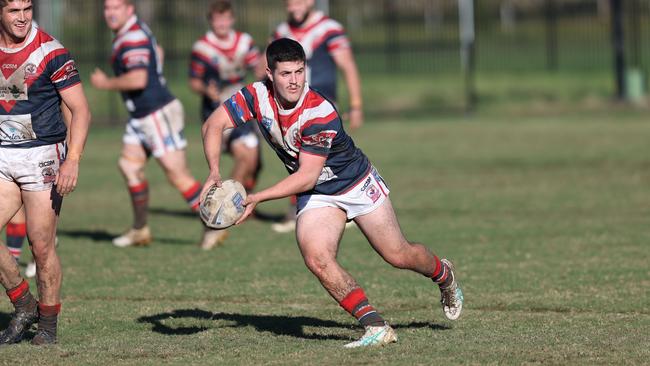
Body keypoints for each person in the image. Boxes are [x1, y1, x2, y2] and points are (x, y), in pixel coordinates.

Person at [201, 38, 464, 348]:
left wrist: (255, 198)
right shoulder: (256, 96)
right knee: (317, 258)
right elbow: (213, 124)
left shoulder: (318, 111)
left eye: (300, 71)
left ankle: (443, 274)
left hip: (355, 183)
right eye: (286, 74)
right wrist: (215, 171)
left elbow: (305, 176)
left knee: (398, 254)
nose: (295, 81)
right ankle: (376, 326)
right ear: (270, 74)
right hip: (319, 194)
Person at [91, 0, 221, 249]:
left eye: (116, 7)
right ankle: (140, 230)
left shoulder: (132, 37)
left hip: (156, 114)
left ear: (130, 9)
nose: (110, 13)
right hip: (141, 116)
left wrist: (106, 83)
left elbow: (139, 78)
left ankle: (214, 223)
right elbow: (157, 51)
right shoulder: (133, 32)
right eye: (107, 8)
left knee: (178, 176)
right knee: (129, 166)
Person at [0, 0, 91, 345]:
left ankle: (48, 327)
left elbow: (80, 110)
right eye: (13, 11)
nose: (22, 17)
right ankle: (23, 303)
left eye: (27, 9)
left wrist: (74, 159)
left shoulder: (51, 52)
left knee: (40, 246)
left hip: (42, 156)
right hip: (3, 157)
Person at [269, 0, 364, 233]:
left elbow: (348, 66)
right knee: (295, 157)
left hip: (321, 107)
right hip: (290, 108)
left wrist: (356, 104)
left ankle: (341, 203)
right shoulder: (281, 32)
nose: (295, 6)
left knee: (322, 159)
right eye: (291, 2)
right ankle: (308, 209)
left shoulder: (328, 28)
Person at [188, 0, 262, 249]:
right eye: (217, 19)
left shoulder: (244, 41)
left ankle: (232, 207)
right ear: (212, 21)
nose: (222, 24)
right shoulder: (203, 47)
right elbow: (193, 81)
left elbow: (258, 68)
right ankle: (217, 216)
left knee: (252, 161)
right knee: (242, 159)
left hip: (242, 109)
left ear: (231, 19)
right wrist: (206, 91)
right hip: (217, 113)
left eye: (225, 18)